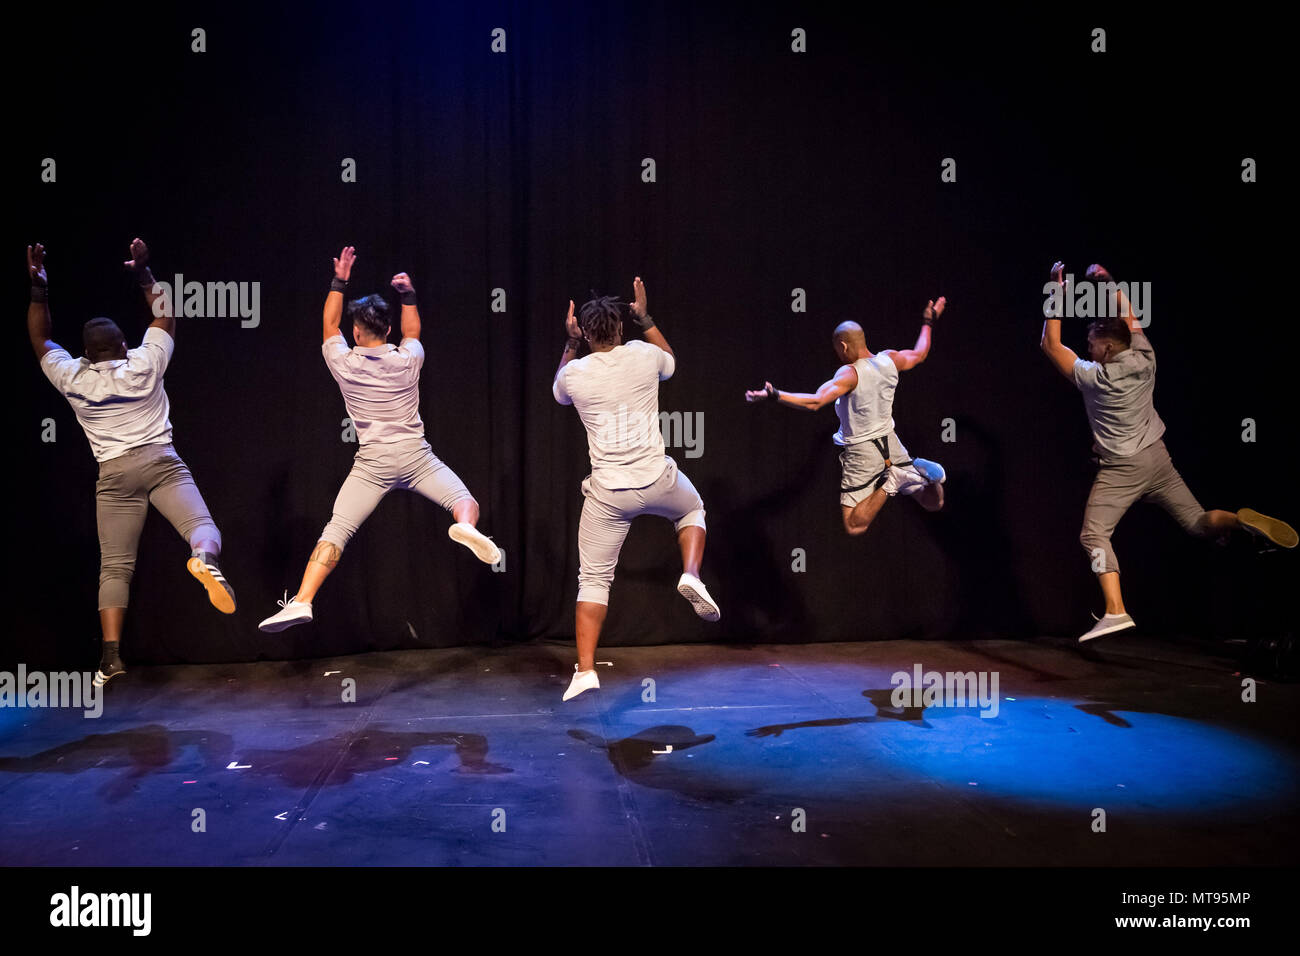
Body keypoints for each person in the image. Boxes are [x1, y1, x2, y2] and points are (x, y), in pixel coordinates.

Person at [1040, 261, 1297, 642]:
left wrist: (1054, 291)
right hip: (1158, 459)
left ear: (1107, 347)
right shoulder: (1146, 356)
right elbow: (1131, 317)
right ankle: (1239, 522)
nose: (1088, 348)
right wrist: (1110, 283)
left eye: (1092, 343)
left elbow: (1050, 344)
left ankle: (1115, 610)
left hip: (1121, 468)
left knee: (1093, 536)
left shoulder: (1095, 378)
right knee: (1197, 523)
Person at [27, 239, 236, 686]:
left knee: (116, 564)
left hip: (114, 474)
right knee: (203, 527)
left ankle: (110, 658)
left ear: (85, 354)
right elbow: (165, 316)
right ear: (123, 344)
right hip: (160, 462)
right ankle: (203, 559)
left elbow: (41, 338)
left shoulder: (72, 377)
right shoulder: (145, 363)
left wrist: (39, 289)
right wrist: (144, 273)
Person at [258, 246, 499, 632]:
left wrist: (340, 279)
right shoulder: (408, 359)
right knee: (464, 502)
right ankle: (467, 527)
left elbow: (329, 324)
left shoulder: (345, 363)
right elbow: (414, 331)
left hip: (373, 463)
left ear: (357, 333)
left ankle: (303, 600)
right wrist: (408, 295)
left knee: (336, 530)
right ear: (388, 330)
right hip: (416, 457)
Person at [552, 277, 720, 701]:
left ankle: (586, 670)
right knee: (692, 509)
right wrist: (645, 317)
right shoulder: (645, 356)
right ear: (621, 329)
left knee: (592, 580)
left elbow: (558, 395)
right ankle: (691, 573)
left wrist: (570, 343)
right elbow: (671, 360)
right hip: (656, 479)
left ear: (586, 332)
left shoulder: (574, 373)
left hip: (609, 494)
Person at [744, 298, 949, 536]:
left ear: (843, 346)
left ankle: (893, 480)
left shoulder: (850, 373)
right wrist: (928, 321)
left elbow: (815, 401)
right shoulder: (890, 359)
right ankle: (929, 477)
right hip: (891, 443)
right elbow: (920, 353)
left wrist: (775, 395)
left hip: (862, 452)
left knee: (853, 524)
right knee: (934, 502)